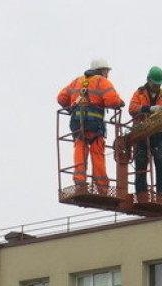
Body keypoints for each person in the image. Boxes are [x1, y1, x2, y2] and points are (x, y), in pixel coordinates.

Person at [57, 58, 125, 193]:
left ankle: (80, 183)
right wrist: (120, 103)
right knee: (97, 150)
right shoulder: (102, 82)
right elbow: (112, 100)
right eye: (106, 71)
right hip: (94, 124)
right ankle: (102, 187)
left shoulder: (77, 81)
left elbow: (61, 98)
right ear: (102, 71)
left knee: (80, 148)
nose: (107, 74)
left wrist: (71, 109)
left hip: (77, 122)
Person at [128, 66, 162, 196]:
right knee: (141, 163)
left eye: (159, 84)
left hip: (159, 133)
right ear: (149, 81)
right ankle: (141, 194)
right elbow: (132, 109)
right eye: (155, 83)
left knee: (161, 162)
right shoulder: (139, 93)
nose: (157, 86)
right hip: (141, 133)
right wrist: (150, 109)